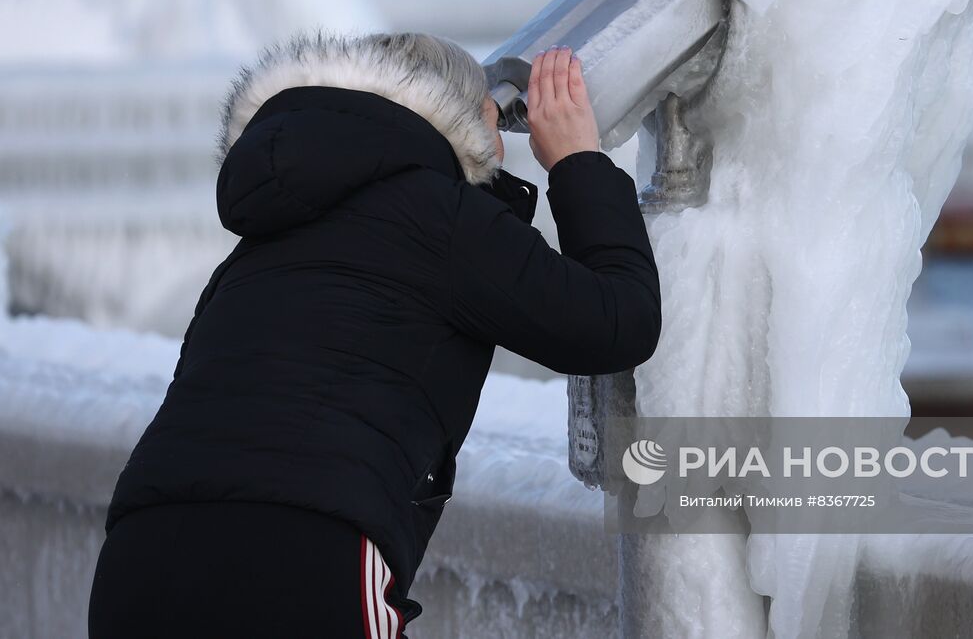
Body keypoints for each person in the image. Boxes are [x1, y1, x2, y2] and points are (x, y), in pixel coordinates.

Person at [88, 34, 662, 638]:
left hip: (140, 553)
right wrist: (577, 162)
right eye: (496, 128)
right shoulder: (438, 214)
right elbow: (617, 321)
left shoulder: (259, 244)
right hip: (300, 549)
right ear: (457, 122)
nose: (499, 152)